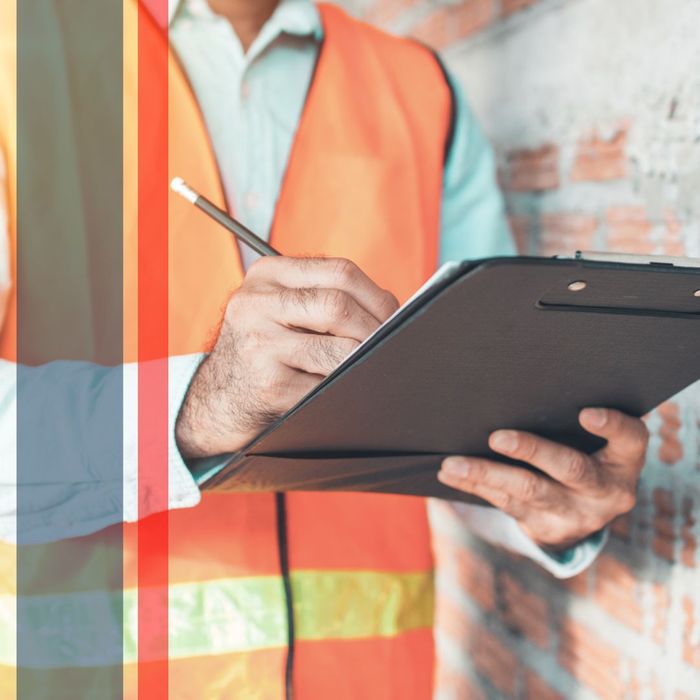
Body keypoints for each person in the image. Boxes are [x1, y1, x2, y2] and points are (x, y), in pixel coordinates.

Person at [0, 0, 649, 697]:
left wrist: (546, 501)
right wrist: (199, 408)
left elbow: (474, 411)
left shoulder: (422, 90)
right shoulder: (15, 56)